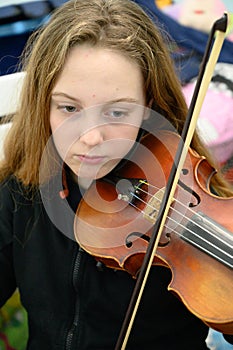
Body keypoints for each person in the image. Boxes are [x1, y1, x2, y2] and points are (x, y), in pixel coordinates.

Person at [0, 0, 233, 349]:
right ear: (42, 103)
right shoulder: (20, 191)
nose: (90, 138)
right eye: (68, 107)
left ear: (149, 106)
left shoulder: (186, 181)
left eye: (117, 112)